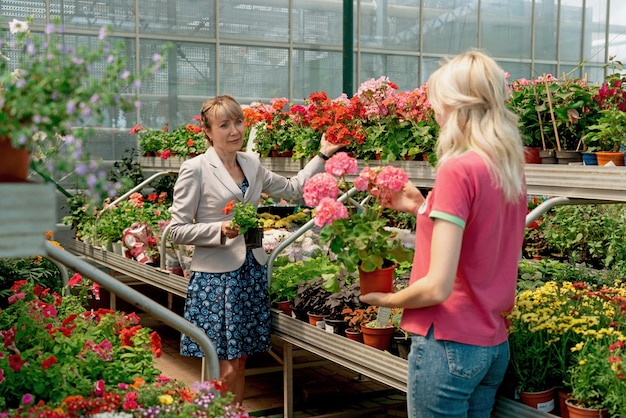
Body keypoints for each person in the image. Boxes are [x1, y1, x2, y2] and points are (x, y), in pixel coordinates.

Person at [360, 50, 527, 417]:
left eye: (436, 104)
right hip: (492, 343)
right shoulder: (507, 167)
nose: (434, 113)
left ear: (455, 106)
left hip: (448, 342)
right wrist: (421, 207)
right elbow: (481, 240)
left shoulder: (456, 169)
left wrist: (385, 301)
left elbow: (438, 287)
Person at [168, 94, 342, 404]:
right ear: (207, 131)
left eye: (238, 122)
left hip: (250, 272)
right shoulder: (195, 168)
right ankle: (216, 412)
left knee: (241, 361)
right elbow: (176, 230)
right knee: (224, 366)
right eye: (224, 125)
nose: (234, 131)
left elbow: (293, 189)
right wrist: (219, 229)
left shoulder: (251, 163)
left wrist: (322, 155)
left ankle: (232, 412)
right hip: (217, 280)